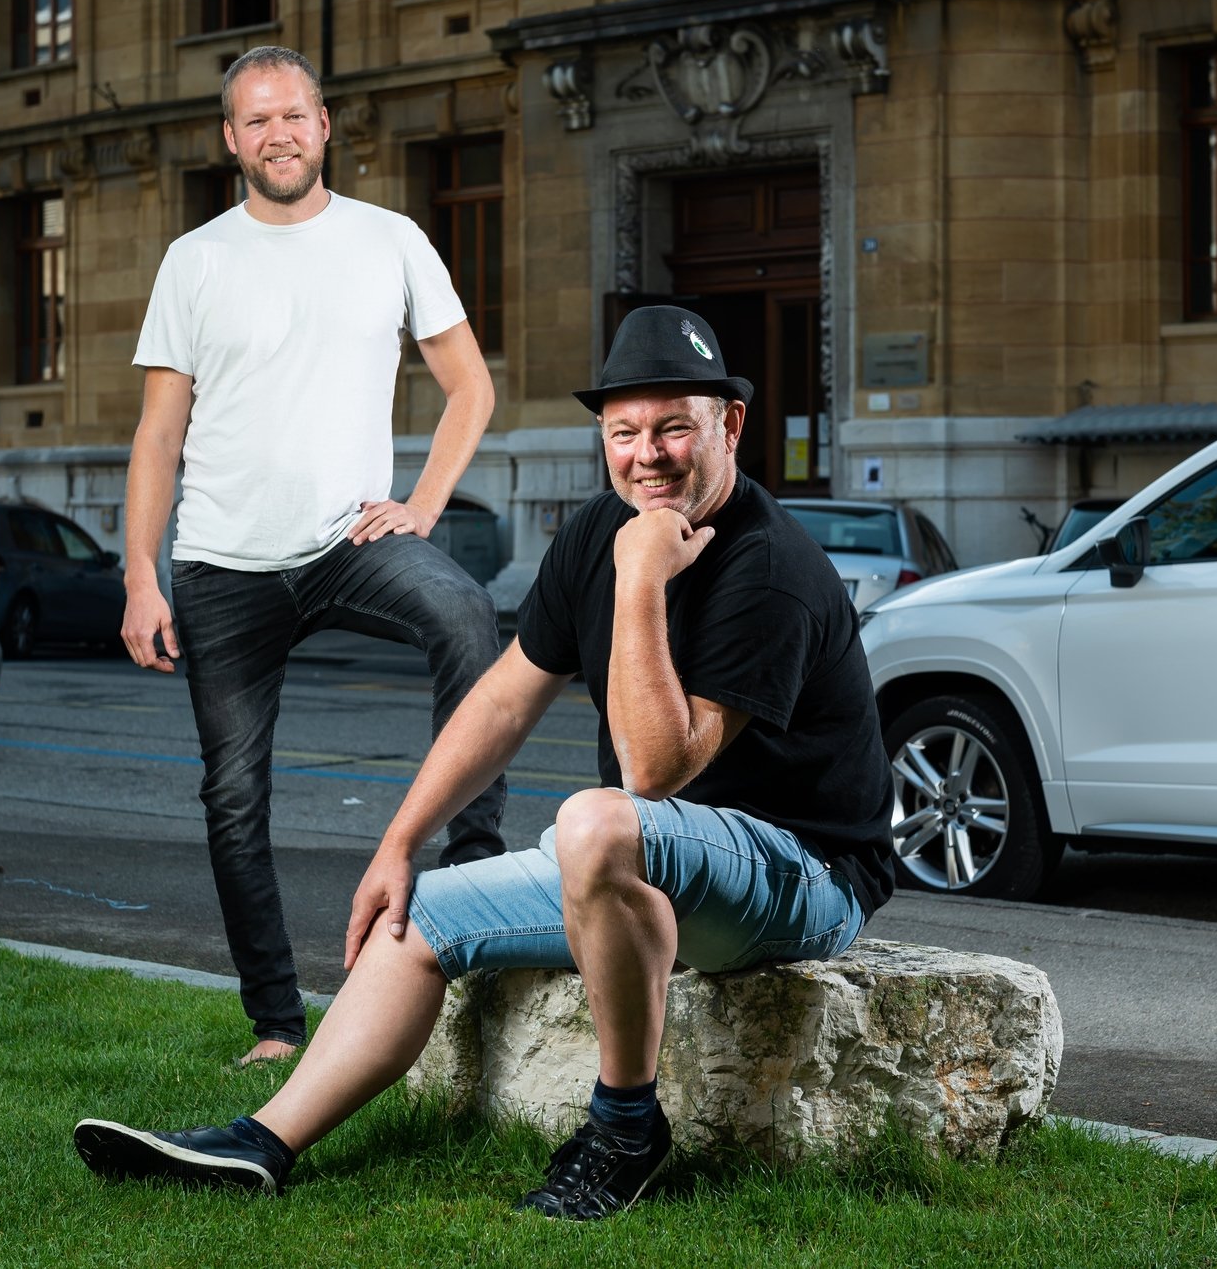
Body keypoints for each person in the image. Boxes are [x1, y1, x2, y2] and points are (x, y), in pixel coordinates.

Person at [75, 306, 896, 1220]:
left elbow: (656, 769)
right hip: (659, 866)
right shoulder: (600, 532)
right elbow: (505, 698)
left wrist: (640, 580)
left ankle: (625, 1127)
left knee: (594, 821)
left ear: (729, 425)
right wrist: (399, 841)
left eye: (674, 426)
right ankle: (263, 1141)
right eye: (625, 432)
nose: (648, 455)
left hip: (804, 871)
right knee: (415, 914)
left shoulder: (766, 564)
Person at [120, 45, 507, 1067]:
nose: (278, 134)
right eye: (256, 121)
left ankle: (476, 883)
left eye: (293, 115)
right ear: (230, 140)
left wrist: (421, 503)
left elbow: (469, 385)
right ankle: (275, 1022)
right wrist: (137, 574)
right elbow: (159, 434)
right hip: (218, 560)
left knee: (466, 616)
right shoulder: (194, 259)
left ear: (324, 124)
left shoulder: (391, 240)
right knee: (233, 794)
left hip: (351, 537)